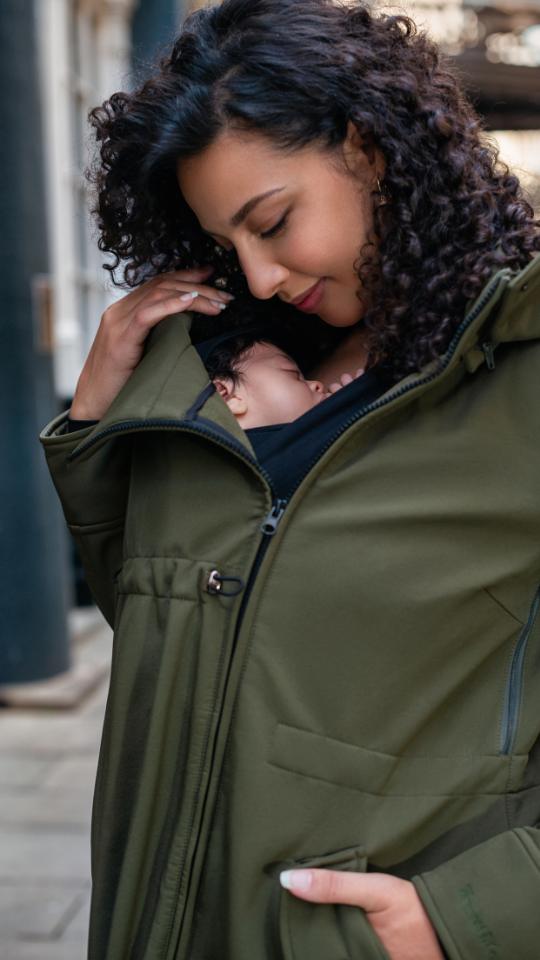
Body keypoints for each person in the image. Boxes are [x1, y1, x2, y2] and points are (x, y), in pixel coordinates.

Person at [39, 1, 540, 958]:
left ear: (370, 149)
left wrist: (464, 919)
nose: (260, 276)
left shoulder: (521, 379)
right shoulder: (236, 367)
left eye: (272, 223)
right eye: (229, 246)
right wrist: (100, 424)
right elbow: (165, 640)